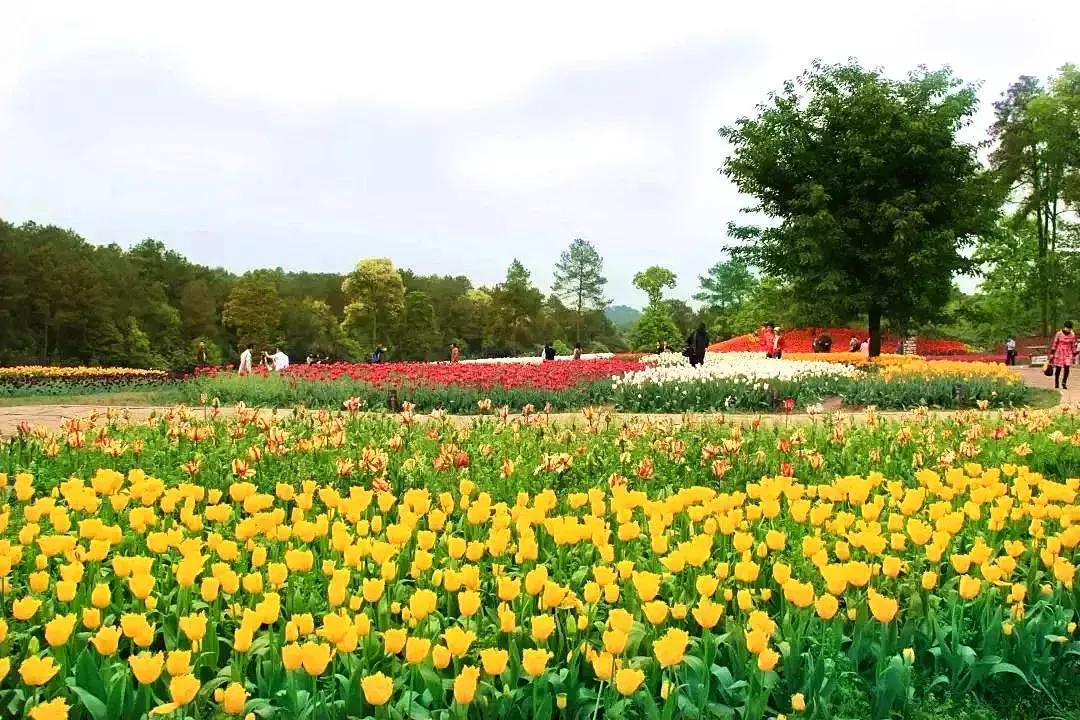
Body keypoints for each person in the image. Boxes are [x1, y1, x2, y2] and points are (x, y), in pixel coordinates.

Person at [1050, 320, 1076, 390]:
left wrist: (1074, 353)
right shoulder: (1059, 333)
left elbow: (1073, 344)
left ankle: (1064, 383)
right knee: (1058, 368)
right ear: (1064, 327)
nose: (1068, 330)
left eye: (1070, 328)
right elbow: (1055, 343)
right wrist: (1052, 353)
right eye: (1067, 328)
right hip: (1059, 352)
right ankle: (1056, 383)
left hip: (1068, 353)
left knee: (1067, 368)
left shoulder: (1072, 334)